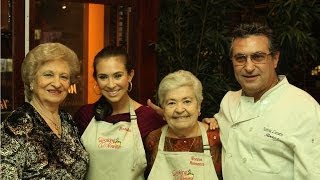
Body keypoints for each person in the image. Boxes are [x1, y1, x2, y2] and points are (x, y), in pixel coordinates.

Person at [214, 23, 320, 180]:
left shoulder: (304, 108)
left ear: (275, 59)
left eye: (258, 57)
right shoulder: (229, 101)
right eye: (240, 58)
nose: (249, 67)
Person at [73, 46, 166, 180]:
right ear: (96, 79)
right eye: (103, 77)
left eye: (117, 76)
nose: (111, 85)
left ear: (130, 75)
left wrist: (205, 125)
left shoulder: (148, 117)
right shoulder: (85, 115)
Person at [0, 43, 89, 179]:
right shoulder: (15, 126)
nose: (57, 83)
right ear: (31, 81)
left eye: (64, 77)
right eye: (48, 75)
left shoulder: (67, 120)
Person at [145, 70, 222, 180]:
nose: (179, 110)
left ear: (199, 106)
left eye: (187, 101)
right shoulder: (152, 139)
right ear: (163, 108)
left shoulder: (216, 138)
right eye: (171, 103)